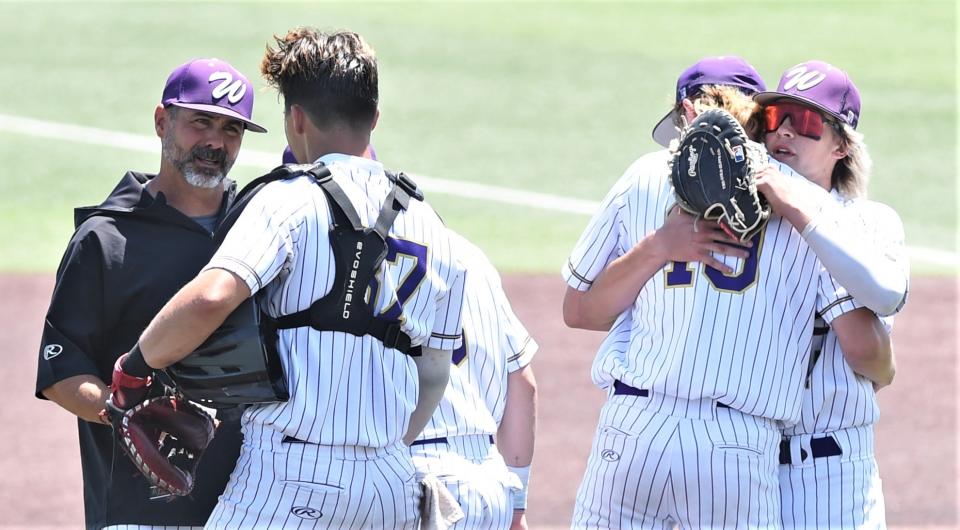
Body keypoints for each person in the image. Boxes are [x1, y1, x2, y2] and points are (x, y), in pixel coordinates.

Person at [107, 27, 466, 529]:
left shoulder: (288, 200)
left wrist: (136, 366)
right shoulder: (438, 230)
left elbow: (212, 297)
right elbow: (434, 376)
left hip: (290, 476)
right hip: (389, 484)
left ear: (295, 119)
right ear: (374, 119)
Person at [562, 55, 887, 528]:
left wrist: (659, 247)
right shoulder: (800, 201)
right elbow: (862, 339)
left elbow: (579, 309)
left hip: (631, 426)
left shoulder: (646, 175)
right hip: (736, 440)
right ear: (755, 119)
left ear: (685, 115)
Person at [34, 57, 266, 529]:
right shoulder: (106, 240)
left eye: (232, 130)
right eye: (201, 121)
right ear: (163, 121)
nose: (215, 142)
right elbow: (62, 368)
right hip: (140, 508)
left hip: (254, 502)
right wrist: (125, 415)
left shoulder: (259, 228)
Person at [756, 60, 909, 527]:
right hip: (742, 461)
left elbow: (871, 346)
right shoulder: (743, 223)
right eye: (773, 117)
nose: (783, 131)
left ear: (842, 145)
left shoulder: (870, 222)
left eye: (803, 123)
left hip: (831, 473)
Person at [410, 230, 538, 530]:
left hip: (419, 478)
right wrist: (517, 508)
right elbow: (523, 380)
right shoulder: (472, 257)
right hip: (490, 482)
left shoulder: (366, 255)